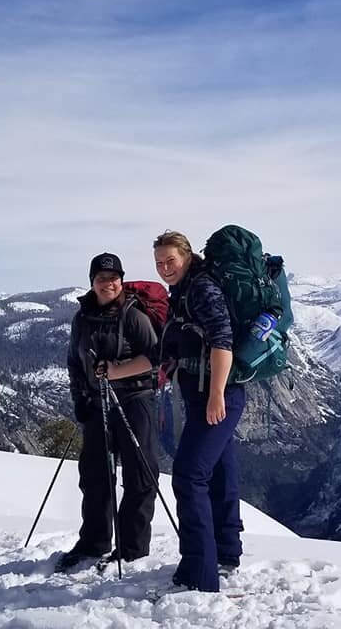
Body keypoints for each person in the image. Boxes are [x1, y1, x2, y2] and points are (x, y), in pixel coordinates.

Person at [153, 231, 245, 592]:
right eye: (159, 263)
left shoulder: (202, 288)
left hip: (216, 395)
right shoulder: (184, 290)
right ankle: (225, 553)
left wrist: (217, 395)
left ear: (187, 256)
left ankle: (198, 574)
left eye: (170, 261)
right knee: (221, 471)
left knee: (189, 477)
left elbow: (223, 340)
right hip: (201, 393)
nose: (164, 268)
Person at [57, 252, 160, 572]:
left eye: (114, 278)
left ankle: (132, 548)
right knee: (94, 476)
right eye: (102, 279)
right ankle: (94, 542)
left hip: (134, 400)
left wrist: (117, 370)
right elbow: (75, 362)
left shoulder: (134, 316)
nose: (108, 284)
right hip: (95, 401)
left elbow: (155, 357)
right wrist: (80, 398)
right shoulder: (82, 318)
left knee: (140, 475)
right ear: (92, 282)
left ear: (121, 280)